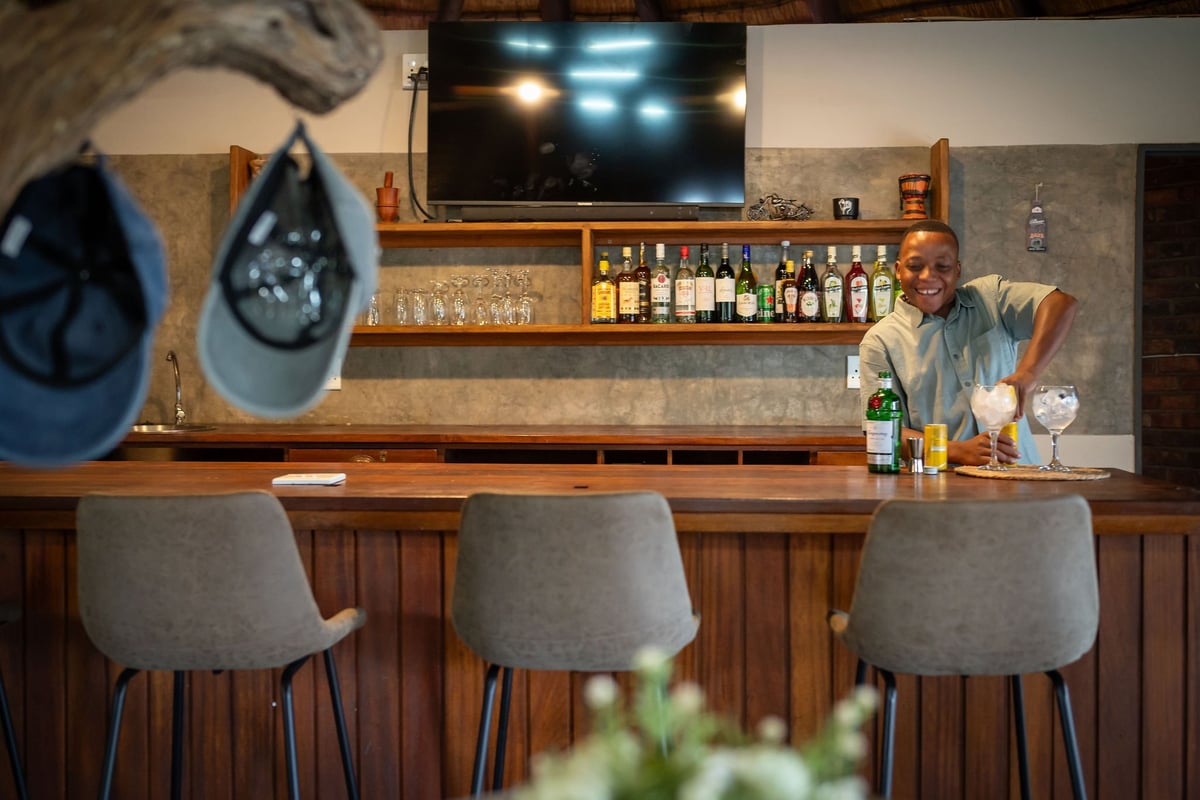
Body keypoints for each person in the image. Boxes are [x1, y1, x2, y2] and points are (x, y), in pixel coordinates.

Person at [859, 219, 1078, 467]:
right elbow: (884, 430)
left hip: (1020, 478)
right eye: (915, 266)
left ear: (957, 270)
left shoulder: (991, 299)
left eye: (942, 266)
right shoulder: (880, 341)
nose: (928, 276)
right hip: (942, 488)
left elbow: (1061, 304)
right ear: (898, 270)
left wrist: (1027, 374)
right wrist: (956, 451)